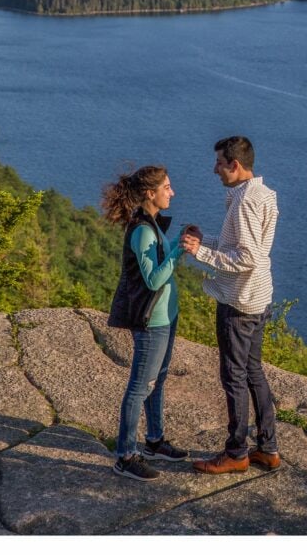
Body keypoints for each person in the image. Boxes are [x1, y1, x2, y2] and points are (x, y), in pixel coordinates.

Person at [181, 136, 281, 474]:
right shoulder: (262, 194)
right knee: (253, 372)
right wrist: (204, 239)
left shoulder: (244, 203)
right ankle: (267, 448)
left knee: (234, 377)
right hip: (258, 297)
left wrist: (201, 253)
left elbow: (246, 258)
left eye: (220, 163)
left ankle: (236, 453)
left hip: (239, 303)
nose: (215, 170)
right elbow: (242, 247)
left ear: (234, 165)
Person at [103, 164, 190, 481]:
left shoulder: (151, 223)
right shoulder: (141, 230)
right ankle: (125, 455)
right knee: (140, 387)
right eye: (167, 187)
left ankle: (154, 440)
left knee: (159, 380)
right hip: (152, 321)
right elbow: (154, 280)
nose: (173, 192)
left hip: (167, 316)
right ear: (150, 193)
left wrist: (177, 240)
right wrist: (179, 249)